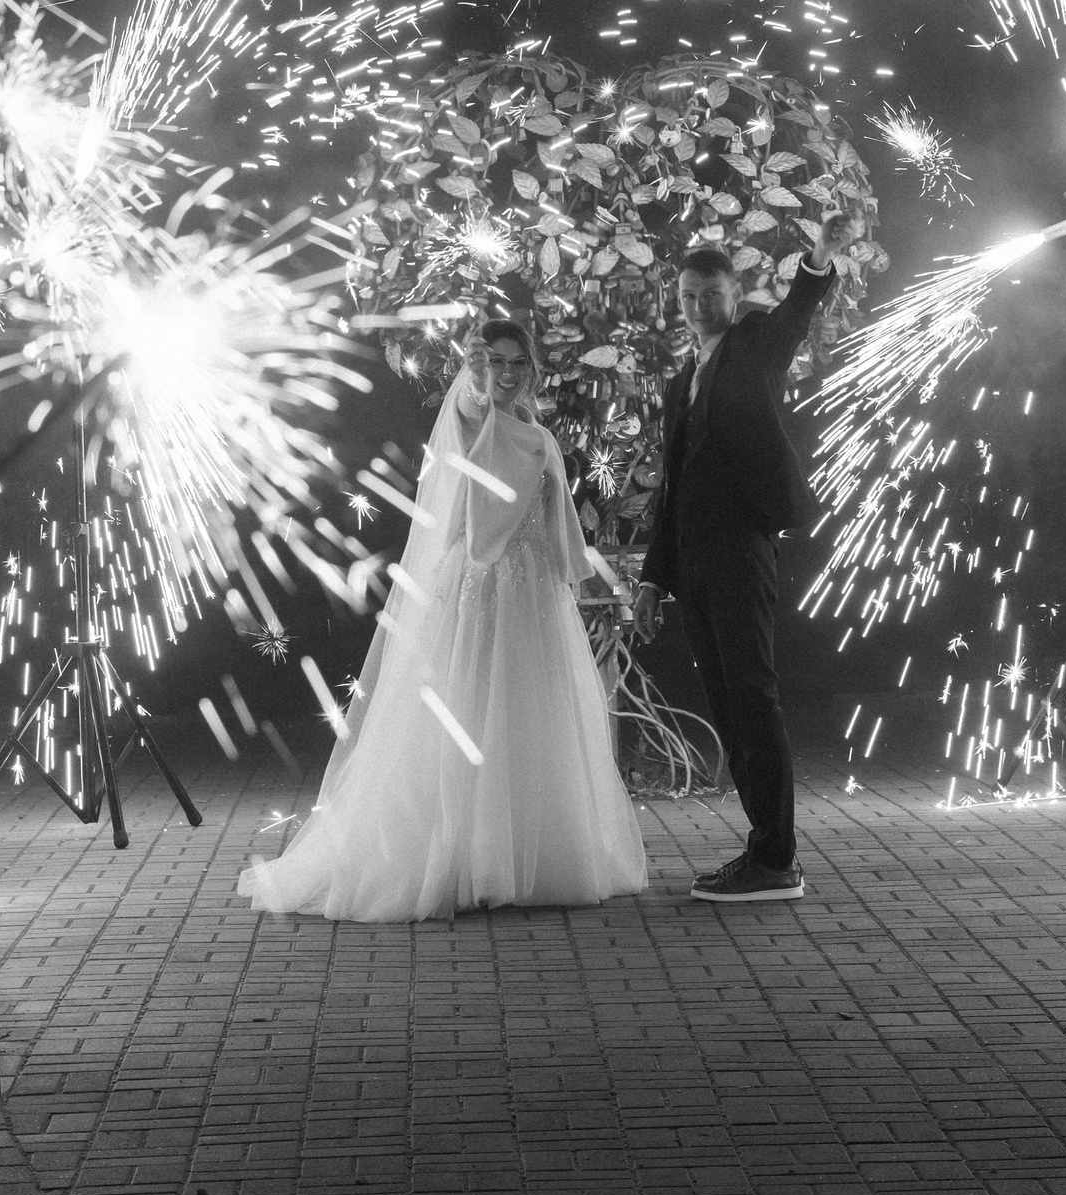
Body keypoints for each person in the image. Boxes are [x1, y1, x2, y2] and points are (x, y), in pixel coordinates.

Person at [239, 319, 648, 920]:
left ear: (532, 368)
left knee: (530, 708)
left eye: (517, 364)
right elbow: (471, 423)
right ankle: (470, 853)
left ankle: (528, 849)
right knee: (472, 705)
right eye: (496, 363)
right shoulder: (472, 416)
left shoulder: (535, 428)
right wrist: (478, 381)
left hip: (532, 588)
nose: (507, 375)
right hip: (484, 583)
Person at [634, 212, 858, 903]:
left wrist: (818, 256)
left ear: (734, 296)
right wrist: (652, 582)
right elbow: (671, 491)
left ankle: (777, 858)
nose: (699, 306)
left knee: (754, 698)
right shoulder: (680, 384)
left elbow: (796, 313)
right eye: (688, 296)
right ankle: (763, 849)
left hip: (742, 554)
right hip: (695, 566)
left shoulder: (756, 345)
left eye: (710, 293)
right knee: (730, 707)